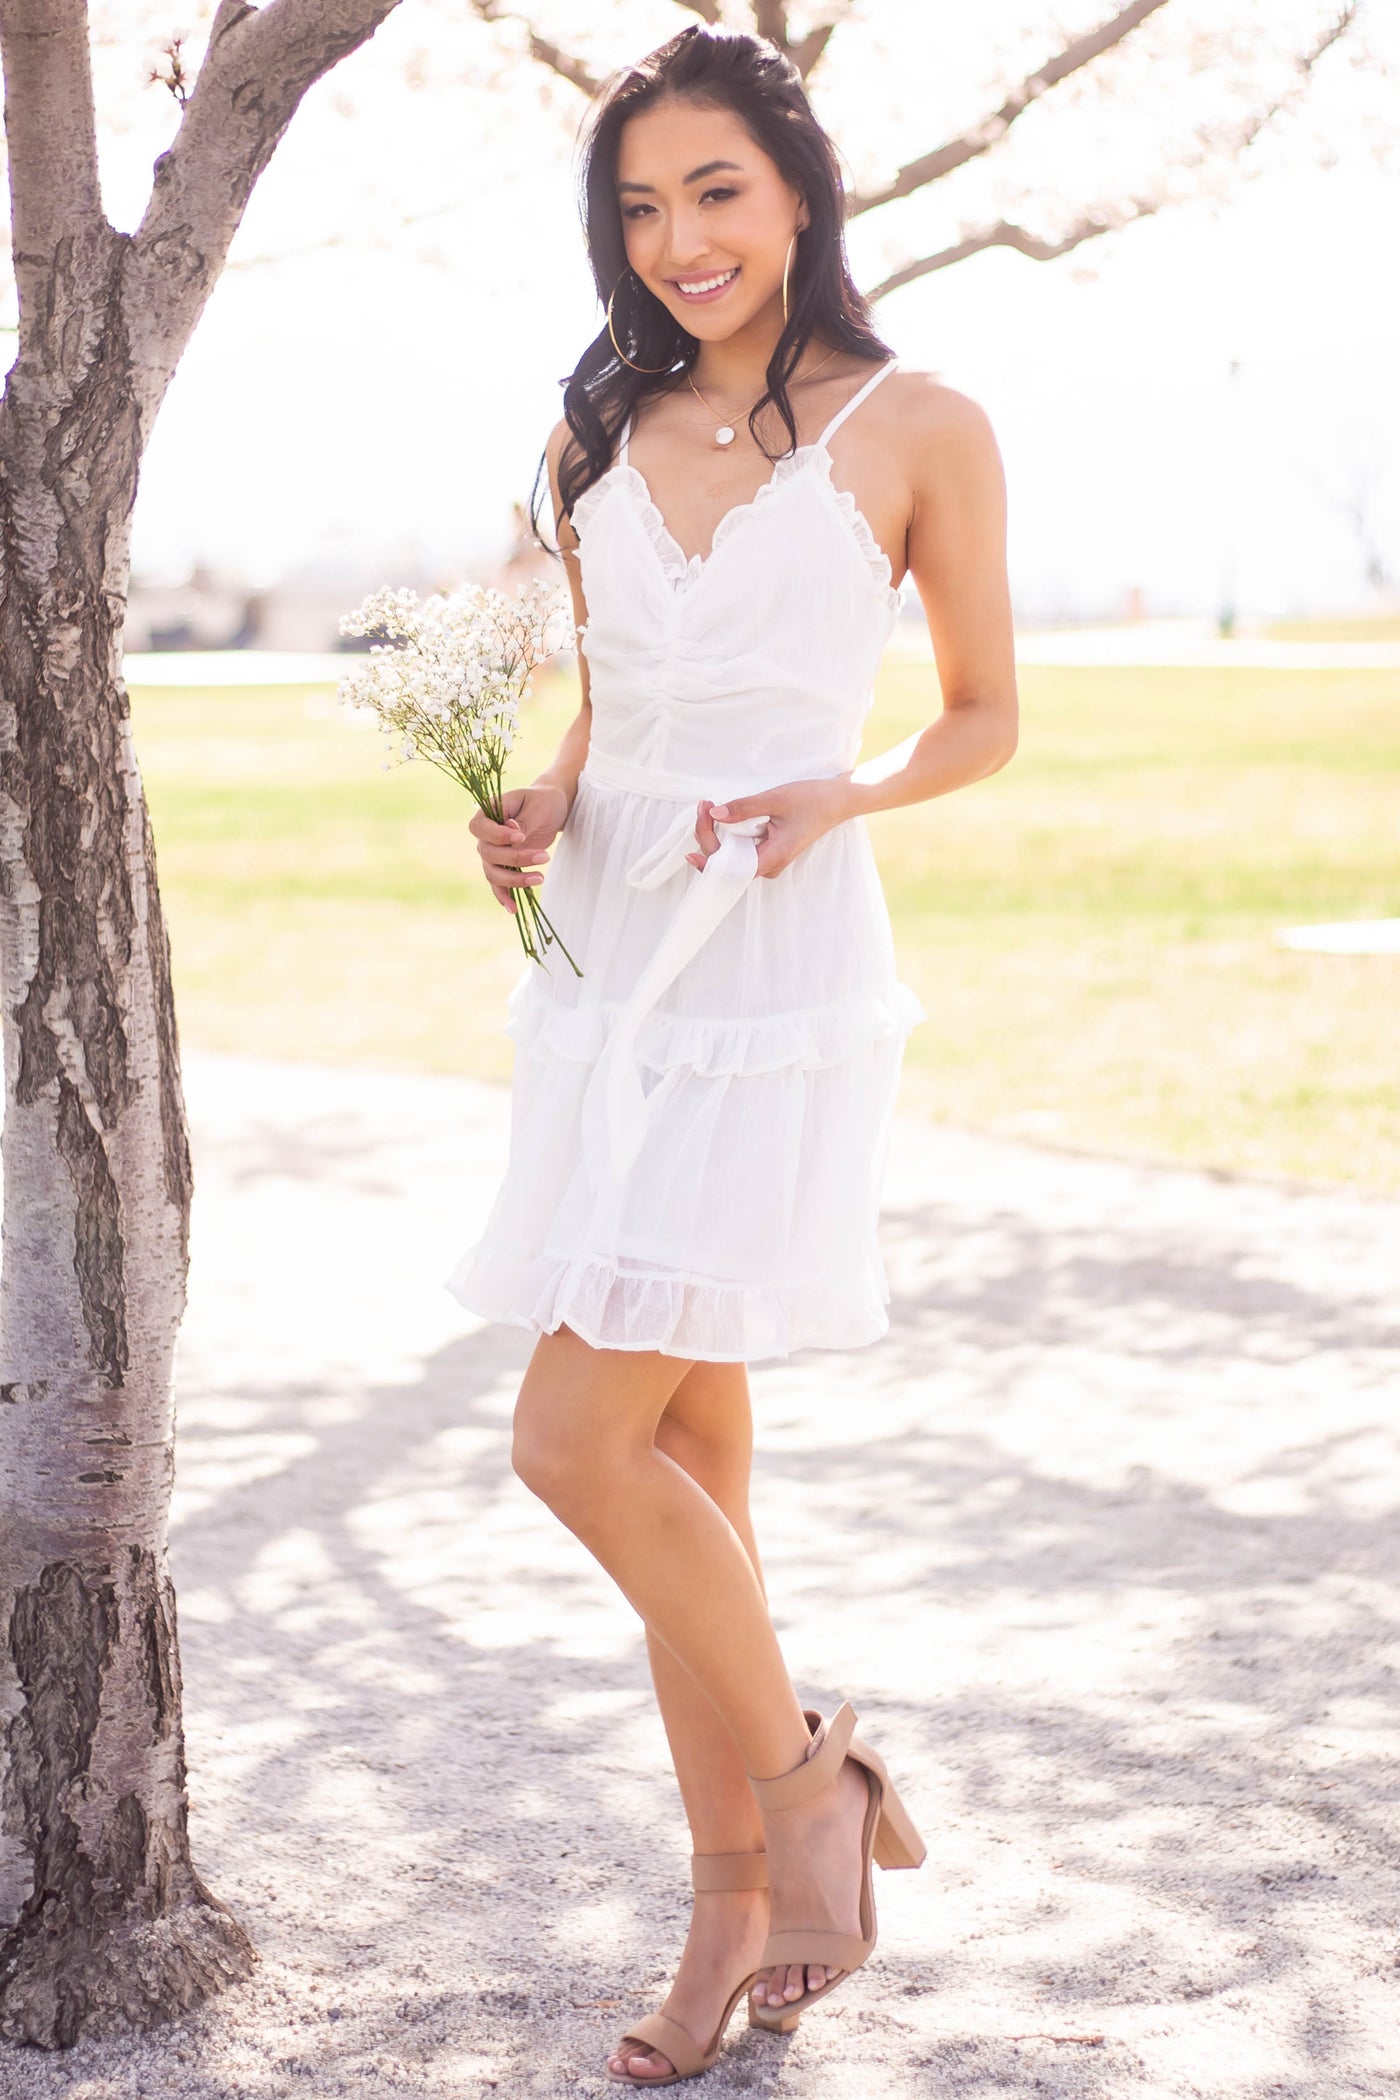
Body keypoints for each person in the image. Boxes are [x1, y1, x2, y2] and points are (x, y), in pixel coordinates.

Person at [449, 22, 1017, 2089]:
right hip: (603, 959)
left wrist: (838, 793)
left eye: (712, 192)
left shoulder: (919, 421)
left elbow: (977, 718)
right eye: (639, 206)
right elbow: (613, 698)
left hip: (770, 975)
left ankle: (811, 1797)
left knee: (571, 1442)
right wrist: (531, 802)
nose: (678, 239)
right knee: (682, 1464)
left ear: (796, 191)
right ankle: (733, 1908)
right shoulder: (596, 427)